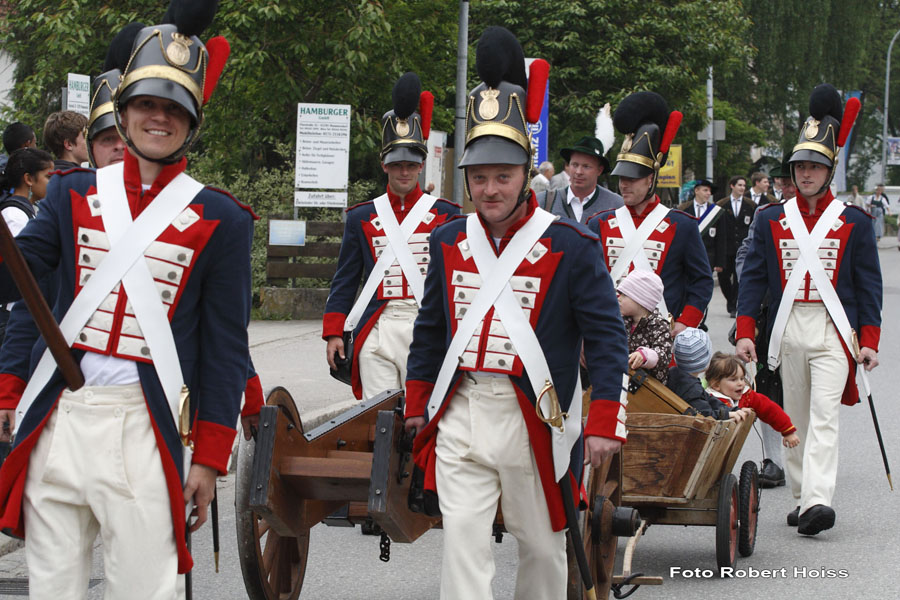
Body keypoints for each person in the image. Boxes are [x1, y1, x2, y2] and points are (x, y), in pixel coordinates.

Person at [0, 6, 255, 596]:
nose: (157, 118)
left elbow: (224, 348)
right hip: (60, 417)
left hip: (147, 426)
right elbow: (19, 286)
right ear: (125, 109)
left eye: (173, 108)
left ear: (191, 122)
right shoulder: (70, 193)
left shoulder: (221, 218)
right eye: (146, 105)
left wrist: (210, 457)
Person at [403, 27, 627, 599]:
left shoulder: (573, 246)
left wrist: (603, 421)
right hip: (461, 410)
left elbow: (605, 341)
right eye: (479, 177)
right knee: (462, 548)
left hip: (538, 418)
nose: (489, 188)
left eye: (502, 176)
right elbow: (431, 330)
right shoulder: (448, 241)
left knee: (545, 551)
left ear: (525, 174)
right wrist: (415, 403)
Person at [736, 84, 880, 536]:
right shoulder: (770, 219)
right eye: (800, 166)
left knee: (824, 415)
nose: (806, 173)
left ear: (829, 170)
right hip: (786, 325)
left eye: (815, 166)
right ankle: (802, 497)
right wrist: (743, 330)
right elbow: (755, 279)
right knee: (793, 418)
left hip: (835, 330)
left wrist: (869, 341)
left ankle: (819, 499)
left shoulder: (855, 221)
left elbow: (868, 285)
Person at [323, 72, 460, 401]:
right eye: (396, 163)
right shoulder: (362, 216)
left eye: (410, 164)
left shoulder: (446, 215)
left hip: (425, 324)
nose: (404, 171)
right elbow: (346, 278)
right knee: (380, 418)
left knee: (424, 418)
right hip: (378, 326)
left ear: (421, 164)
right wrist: (333, 332)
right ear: (384, 165)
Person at [588, 91, 712, 335]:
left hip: (660, 338)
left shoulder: (682, 225)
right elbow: (586, 284)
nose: (624, 184)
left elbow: (701, 281)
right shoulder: (599, 223)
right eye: (622, 178)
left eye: (633, 178)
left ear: (651, 179)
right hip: (607, 334)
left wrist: (686, 322)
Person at [734, 156, 797, 488]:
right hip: (770, 314)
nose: (785, 188)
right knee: (768, 388)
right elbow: (746, 255)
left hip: (808, 314)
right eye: (781, 183)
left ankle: (805, 457)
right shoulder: (766, 215)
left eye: (790, 182)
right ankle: (772, 460)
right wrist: (758, 285)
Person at [538, 105, 623, 224]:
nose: (578, 172)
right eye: (574, 165)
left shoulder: (616, 205)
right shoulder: (544, 201)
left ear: (599, 170)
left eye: (586, 166)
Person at [705, 352, 800, 447]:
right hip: (707, 445)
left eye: (742, 378)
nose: (740, 383)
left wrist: (787, 430)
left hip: (728, 446)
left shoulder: (746, 396)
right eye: (733, 379)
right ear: (716, 385)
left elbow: (769, 409)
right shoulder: (708, 399)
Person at [618, 269, 671, 384]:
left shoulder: (659, 325)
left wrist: (645, 355)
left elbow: (664, 354)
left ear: (640, 301)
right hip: (621, 379)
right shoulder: (622, 319)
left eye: (624, 295)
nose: (619, 298)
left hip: (648, 388)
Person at [716, 175, 755, 317]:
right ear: (732, 186)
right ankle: (730, 299)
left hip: (742, 248)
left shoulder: (750, 205)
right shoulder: (721, 204)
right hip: (726, 248)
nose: (742, 188)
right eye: (739, 185)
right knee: (724, 278)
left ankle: (734, 305)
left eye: (744, 186)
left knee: (739, 277)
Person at [666, 328, 723, 417]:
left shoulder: (673, 375)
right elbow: (706, 416)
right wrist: (725, 415)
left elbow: (708, 398)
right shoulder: (692, 390)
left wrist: (729, 411)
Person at [678, 179, 724, 276]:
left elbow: (721, 238)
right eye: (705, 190)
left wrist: (720, 263)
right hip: (687, 256)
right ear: (696, 191)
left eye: (709, 191)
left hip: (707, 258)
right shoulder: (683, 209)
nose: (709, 193)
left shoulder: (716, 212)